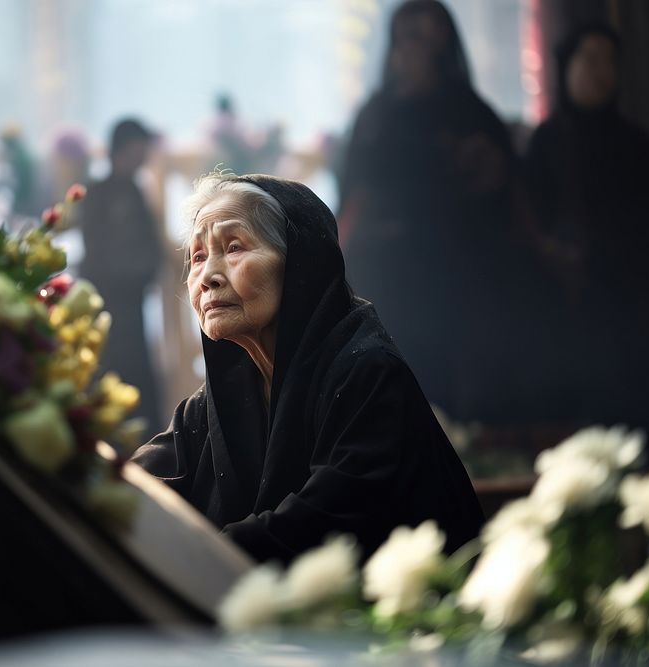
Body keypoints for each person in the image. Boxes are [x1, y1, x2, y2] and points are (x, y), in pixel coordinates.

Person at [131, 172, 484, 564]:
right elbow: (132, 491)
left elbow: (323, 524)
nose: (207, 277)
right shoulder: (212, 404)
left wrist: (198, 556)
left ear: (301, 265)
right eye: (197, 257)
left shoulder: (367, 375)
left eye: (234, 247)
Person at [335, 0, 521, 420]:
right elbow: (353, 197)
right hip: (384, 275)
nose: (414, 49)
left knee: (455, 390)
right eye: (408, 37)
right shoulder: (375, 115)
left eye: (425, 37)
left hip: (455, 275)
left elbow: (498, 192)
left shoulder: (470, 113)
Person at [524, 23, 649, 458]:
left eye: (610, 61)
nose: (601, 72)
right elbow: (534, 220)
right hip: (572, 298)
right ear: (566, 67)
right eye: (589, 59)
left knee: (640, 417)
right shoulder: (547, 141)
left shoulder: (635, 140)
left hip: (634, 296)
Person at [77, 118, 165, 431]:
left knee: (139, 375)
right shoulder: (97, 194)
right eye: (138, 151)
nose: (143, 159)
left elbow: (150, 244)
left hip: (133, 301)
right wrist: (135, 270)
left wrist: (148, 268)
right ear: (122, 150)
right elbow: (97, 252)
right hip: (109, 302)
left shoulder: (135, 190)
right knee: (111, 371)